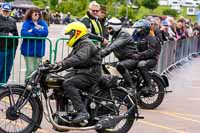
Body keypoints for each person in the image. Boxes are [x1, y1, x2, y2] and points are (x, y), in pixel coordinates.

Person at [53, 22, 102, 123]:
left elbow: (79, 58)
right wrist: (55, 66)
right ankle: (64, 113)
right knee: (60, 81)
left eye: (71, 34)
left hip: (91, 74)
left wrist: (62, 64)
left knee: (68, 83)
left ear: (77, 33)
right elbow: (69, 58)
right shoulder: (79, 43)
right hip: (83, 72)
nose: (69, 37)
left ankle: (82, 112)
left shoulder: (86, 44)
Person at [100, 17, 138, 89]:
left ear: (115, 27)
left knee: (120, 65)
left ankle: (131, 87)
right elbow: (109, 47)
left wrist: (102, 53)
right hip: (124, 59)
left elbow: (114, 46)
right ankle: (116, 87)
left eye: (109, 28)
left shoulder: (123, 35)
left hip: (132, 59)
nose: (108, 31)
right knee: (106, 66)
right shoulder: (116, 36)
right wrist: (97, 53)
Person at [132, 19, 161, 91]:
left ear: (144, 29)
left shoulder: (151, 38)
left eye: (139, 28)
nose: (138, 30)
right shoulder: (140, 38)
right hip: (142, 57)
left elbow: (151, 51)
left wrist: (139, 55)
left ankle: (149, 85)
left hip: (152, 59)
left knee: (142, 65)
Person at [21, 7, 48, 78]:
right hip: (28, 50)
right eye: (35, 14)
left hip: (39, 51)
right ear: (31, 14)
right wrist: (37, 30)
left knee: (37, 70)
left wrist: (32, 30)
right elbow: (23, 33)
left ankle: (34, 87)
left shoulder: (42, 22)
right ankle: (27, 87)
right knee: (30, 69)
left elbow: (45, 33)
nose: (37, 15)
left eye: (38, 14)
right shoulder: (27, 22)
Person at [0, 3, 18, 85]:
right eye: (4, 11)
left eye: (7, 11)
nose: (6, 12)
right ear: (1, 10)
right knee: (0, 68)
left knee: (7, 69)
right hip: (1, 49)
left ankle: (3, 88)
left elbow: (16, 34)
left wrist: (15, 48)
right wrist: (6, 35)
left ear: (10, 11)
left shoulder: (13, 20)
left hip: (11, 49)